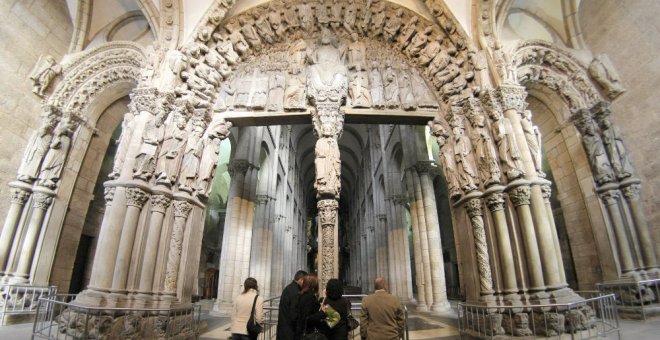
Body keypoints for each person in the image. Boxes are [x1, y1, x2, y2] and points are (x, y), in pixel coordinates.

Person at [277, 270, 307, 340]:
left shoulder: (289, 288)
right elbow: (294, 314)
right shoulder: (296, 291)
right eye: (305, 282)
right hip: (290, 332)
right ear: (301, 280)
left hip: (283, 329)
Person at [296, 274, 325, 338]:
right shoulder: (309, 296)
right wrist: (322, 313)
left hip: (303, 331)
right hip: (309, 332)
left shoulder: (303, 294)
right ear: (313, 285)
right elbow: (308, 317)